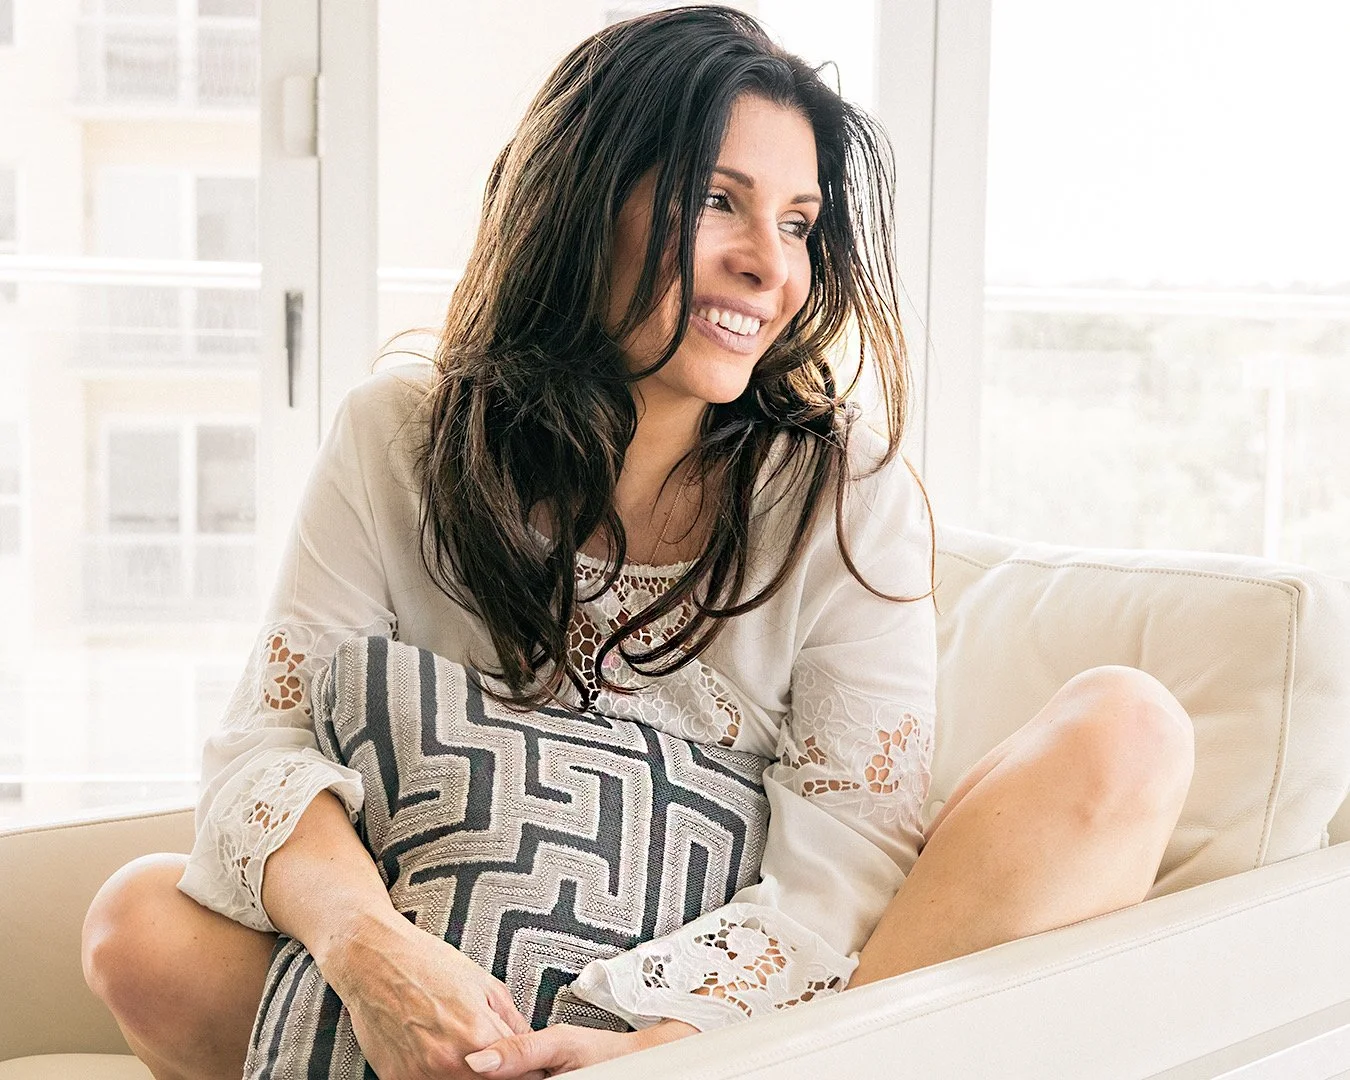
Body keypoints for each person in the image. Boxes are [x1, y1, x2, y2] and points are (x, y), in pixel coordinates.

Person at [81, 7, 1195, 1080]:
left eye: (800, 223)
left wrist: (664, 1049)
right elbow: (262, 751)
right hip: (454, 1000)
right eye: (720, 201)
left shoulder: (844, 491)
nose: (772, 265)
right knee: (137, 922)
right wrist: (369, 951)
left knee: (1131, 730)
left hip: (726, 1031)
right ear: (581, 203)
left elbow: (850, 857)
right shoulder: (398, 435)